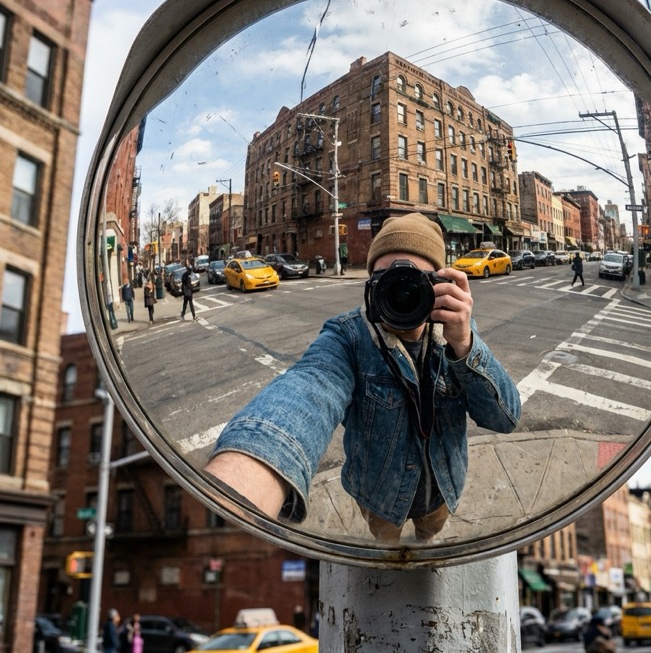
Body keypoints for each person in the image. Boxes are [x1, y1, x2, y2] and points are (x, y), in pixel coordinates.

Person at [206, 212, 520, 543]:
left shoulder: (456, 333)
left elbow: (505, 419)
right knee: (386, 550)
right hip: (379, 501)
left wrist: (465, 344)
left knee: (428, 538)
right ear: (372, 286)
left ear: (440, 286)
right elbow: (310, 386)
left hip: (441, 492)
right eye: (387, 280)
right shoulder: (348, 337)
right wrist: (245, 483)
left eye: (415, 281)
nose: (402, 293)